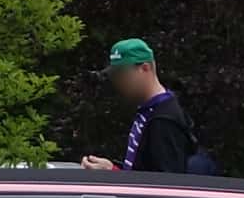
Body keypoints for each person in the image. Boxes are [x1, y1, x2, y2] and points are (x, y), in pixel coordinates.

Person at [77, 37, 203, 175]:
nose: (118, 82)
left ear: (145, 68)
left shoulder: (163, 121)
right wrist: (112, 169)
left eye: (123, 74)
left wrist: (115, 174)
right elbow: (142, 172)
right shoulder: (148, 110)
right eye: (115, 75)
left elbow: (164, 186)